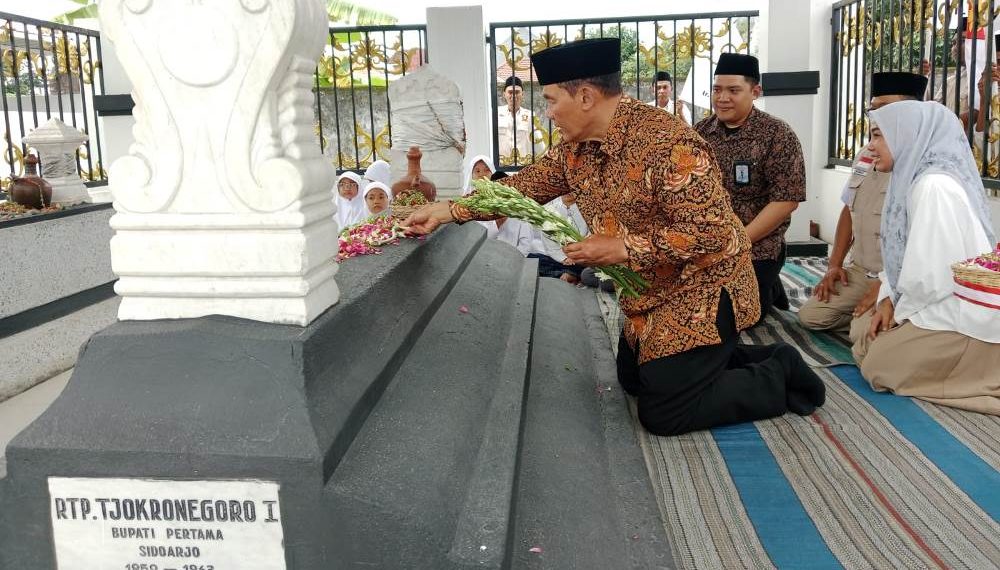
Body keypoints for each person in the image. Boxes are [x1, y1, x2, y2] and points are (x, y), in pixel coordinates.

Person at [405, 38, 825, 436]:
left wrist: (624, 247)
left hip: (704, 288)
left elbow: (712, 234)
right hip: (649, 291)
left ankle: (780, 372)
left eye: (551, 100)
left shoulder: (667, 143)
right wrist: (447, 211)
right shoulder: (576, 148)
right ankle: (723, 360)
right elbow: (524, 188)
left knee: (663, 412)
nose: (547, 111)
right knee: (634, 379)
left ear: (585, 96)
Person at [851, 100, 998, 415]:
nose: (871, 146)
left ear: (909, 135)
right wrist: (888, 300)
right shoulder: (914, 178)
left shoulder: (934, 186)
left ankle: (986, 375)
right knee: (863, 330)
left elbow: (933, 280)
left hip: (960, 314)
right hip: (930, 300)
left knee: (878, 367)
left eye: (879, 135)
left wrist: (897, 313)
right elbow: (905, 257)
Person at [799, 72, 928, 331]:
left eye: (886, 108)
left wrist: (887, 285)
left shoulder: (924, 166)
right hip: (859, 272)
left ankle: (877, 321)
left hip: (895, 278)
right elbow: (849, 210)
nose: (876, 116)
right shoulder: (866, 155)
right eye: (873, 108)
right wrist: (834, 265)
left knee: (863, 336)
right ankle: (867, 319)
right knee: (811, 316)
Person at [695, 53, 805, 323]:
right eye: (717, 89)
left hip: (757, 245)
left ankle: (767, 282)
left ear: (755, 92)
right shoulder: (699, 132)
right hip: (707, 242)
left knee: (735, 315)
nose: (722, 98)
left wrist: (737, 241)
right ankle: (768, 285)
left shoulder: (778, 134)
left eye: (733, 90)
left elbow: (786, 200)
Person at [497, 76, 546, 165]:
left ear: (522, 94)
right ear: (504, 94)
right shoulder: (496, 114)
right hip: (501, 167)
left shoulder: (530, 116)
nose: (513, 95)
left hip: (523, 167)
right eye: (510, 92)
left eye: (517, 92)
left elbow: (539, 146)